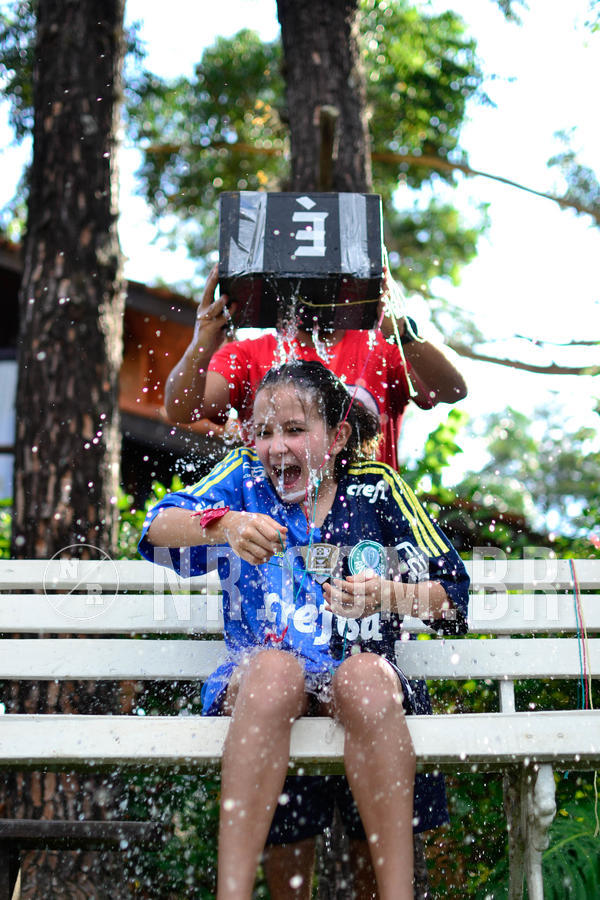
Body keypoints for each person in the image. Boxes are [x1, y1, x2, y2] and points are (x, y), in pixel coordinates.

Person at [140, 361, 470, 899]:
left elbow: (452, 594)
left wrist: (388, 594)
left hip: (362, 698)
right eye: (264, 432)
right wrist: (225, 525)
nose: (276, 447)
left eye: (294, 430)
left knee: (364, 674)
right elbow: (156, 529)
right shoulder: (243, 483)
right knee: (274, 671)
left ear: (338, 436)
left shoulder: (375, 490)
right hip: (265, 696)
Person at [163, 265, 467, 469]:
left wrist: (401, 330)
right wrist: (201, 342)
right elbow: (181, 410)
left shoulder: (384, 346)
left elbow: (454, 390)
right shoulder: (247, 354)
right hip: (274, 538)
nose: (313, 287)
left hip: (367, 541)